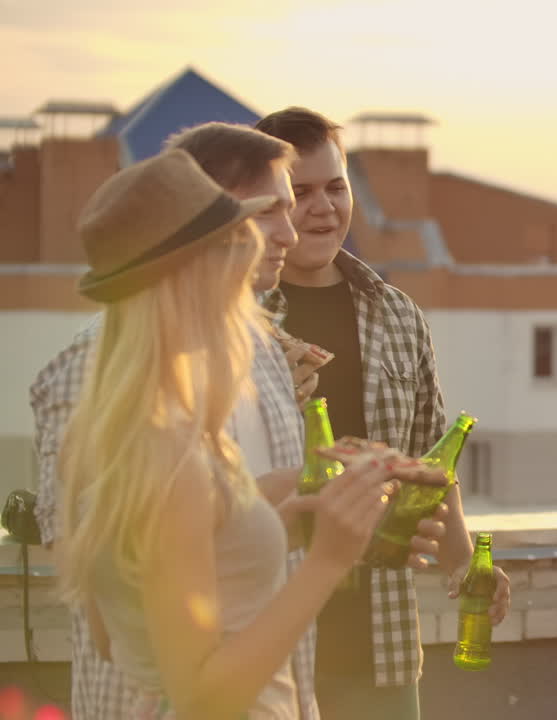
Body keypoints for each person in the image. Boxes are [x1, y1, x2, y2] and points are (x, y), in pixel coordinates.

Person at [53, 148, 395, 719]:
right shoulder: (172, 456)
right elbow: (201, 697)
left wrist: (294, 515)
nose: (264, 252)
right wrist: (330, 560)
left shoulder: (125, 433)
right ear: (197, 276)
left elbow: (122, 626)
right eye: (240, 245)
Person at [254, 106, 511, 719]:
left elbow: (431, 469)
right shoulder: (235, 320)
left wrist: (464, 566)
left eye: (336, 187)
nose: (323, 208)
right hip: (268, 642)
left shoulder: (398, 314)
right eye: (301, 192)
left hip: (383, 645)